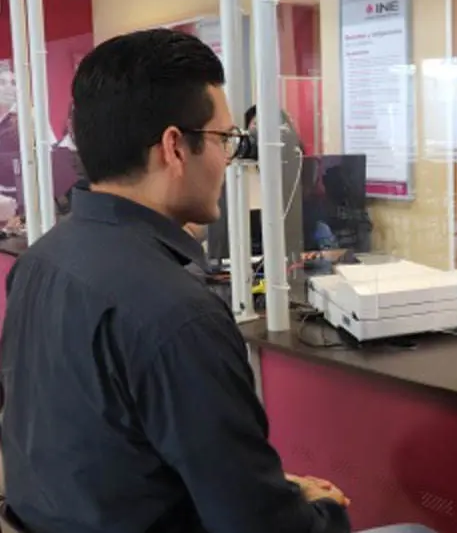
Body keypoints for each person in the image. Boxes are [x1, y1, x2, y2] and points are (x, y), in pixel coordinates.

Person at [0, 29, 352, 533]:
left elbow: (103, 447)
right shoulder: (178, 316)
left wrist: (273, 489)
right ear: (174, 147)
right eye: (224, 140)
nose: (227, 160)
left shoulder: (39, 263)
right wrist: (325, 512)